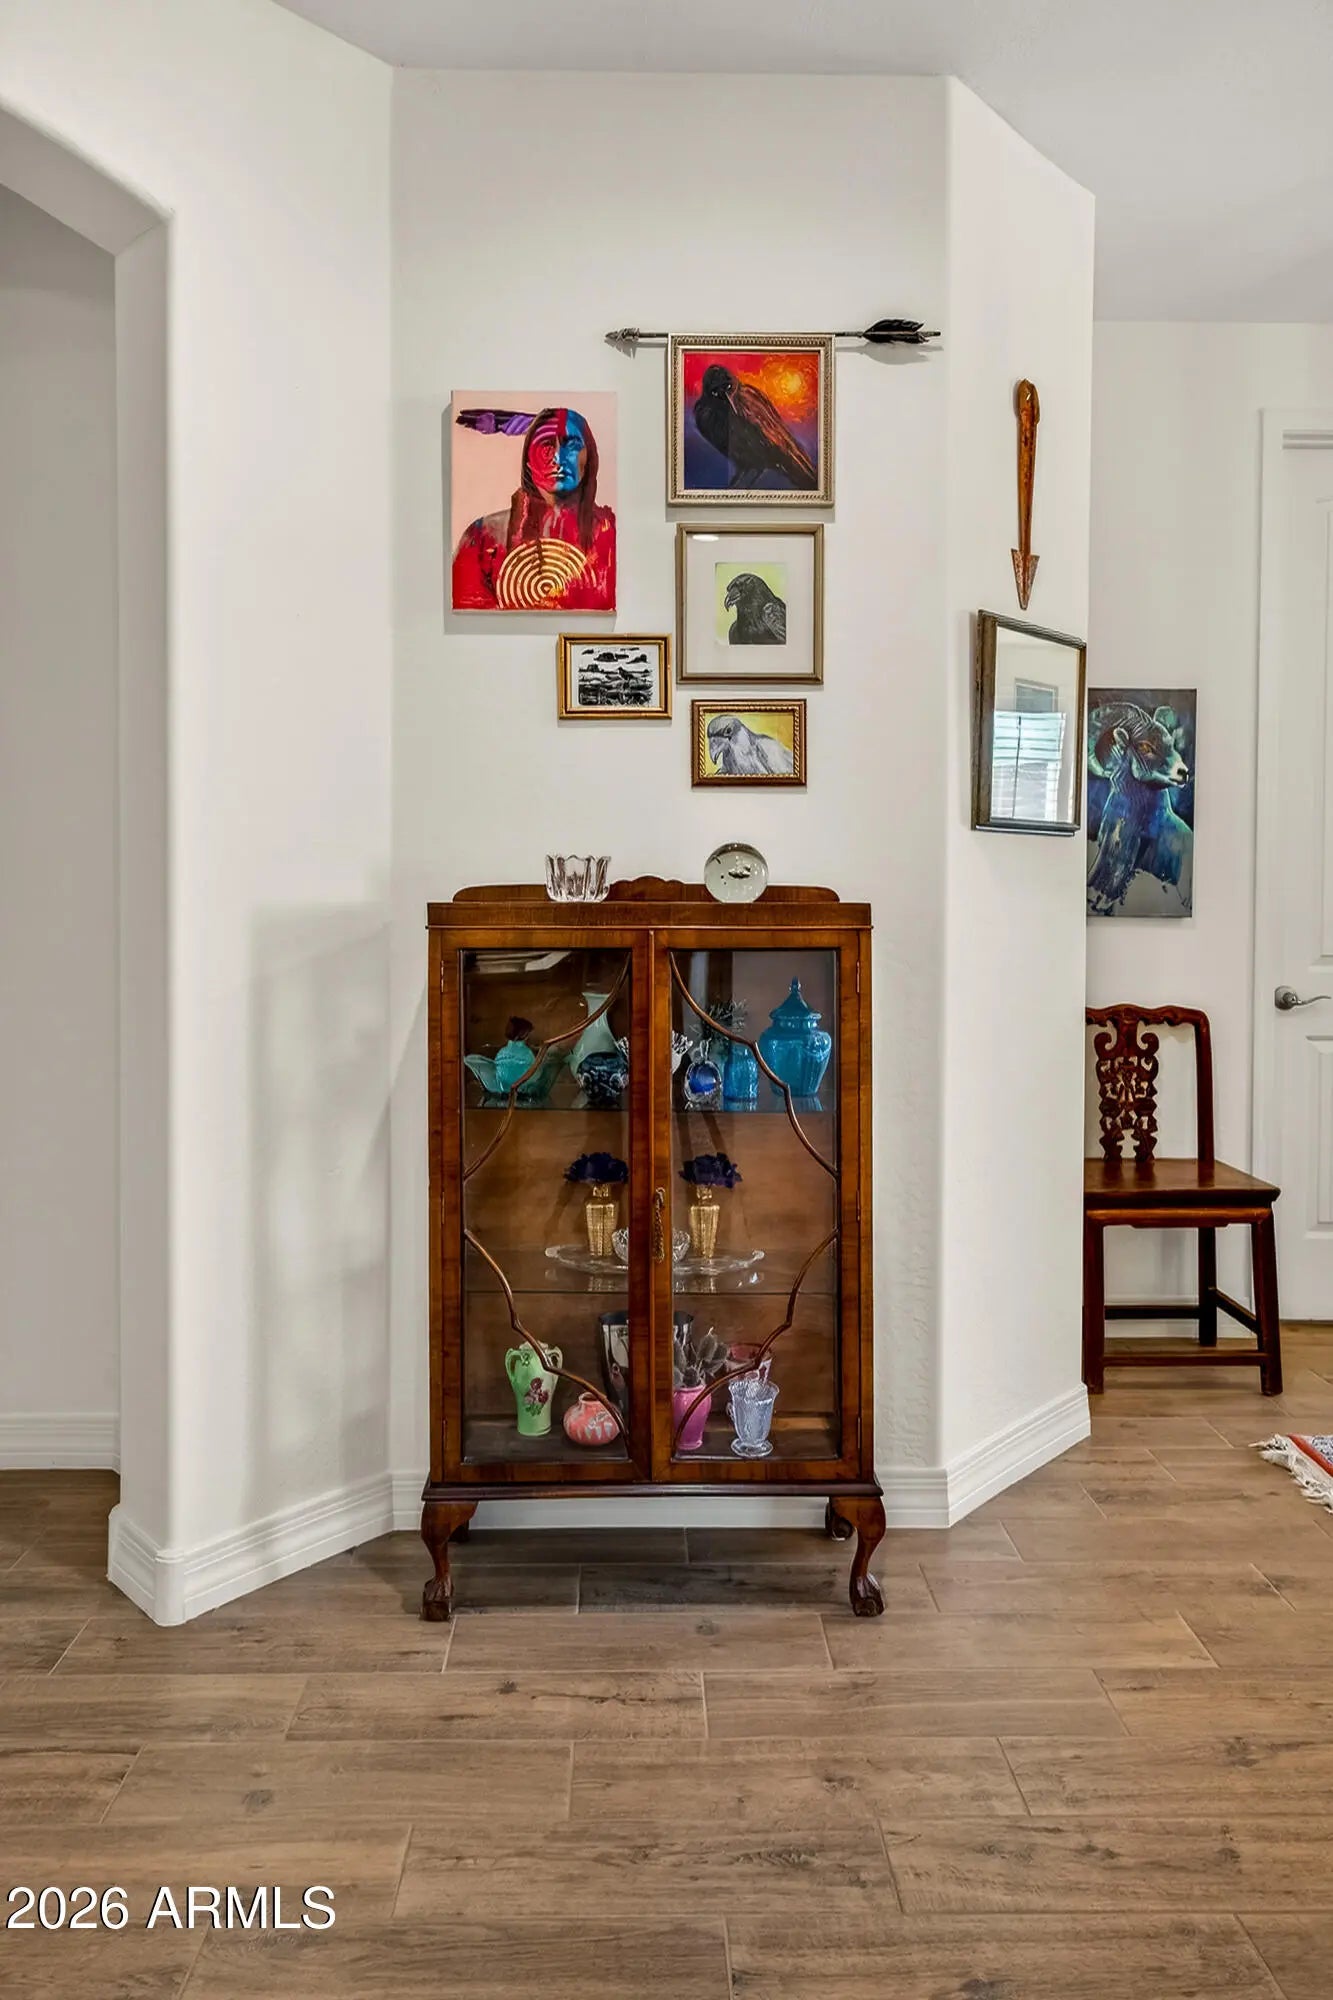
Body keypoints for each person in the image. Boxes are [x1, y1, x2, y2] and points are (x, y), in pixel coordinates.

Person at [452, 406, 615, 610]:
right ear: (528, 460)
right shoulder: (482, 538)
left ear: (589, 457)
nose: (558, 458)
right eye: (546, 445)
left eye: (571, 445)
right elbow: (468, 614)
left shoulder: (611, 536)